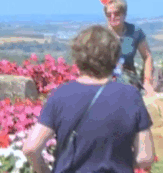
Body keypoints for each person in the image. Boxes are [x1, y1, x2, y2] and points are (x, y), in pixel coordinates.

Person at [22, 25, 156, 173]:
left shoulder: (60, 95)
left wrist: (44, 170)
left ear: (78, 57)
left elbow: (31, 148)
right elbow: (145, 157)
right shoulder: (131, 96)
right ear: (114, 57)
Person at [100, 0, 156, 95]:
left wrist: (147, 82)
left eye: (117, 13)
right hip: (105, 81)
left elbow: (147, 56)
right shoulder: (100, 35)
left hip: (129, 79)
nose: (112, 17)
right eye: (109, 14)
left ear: (124, 14)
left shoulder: (135, 31)